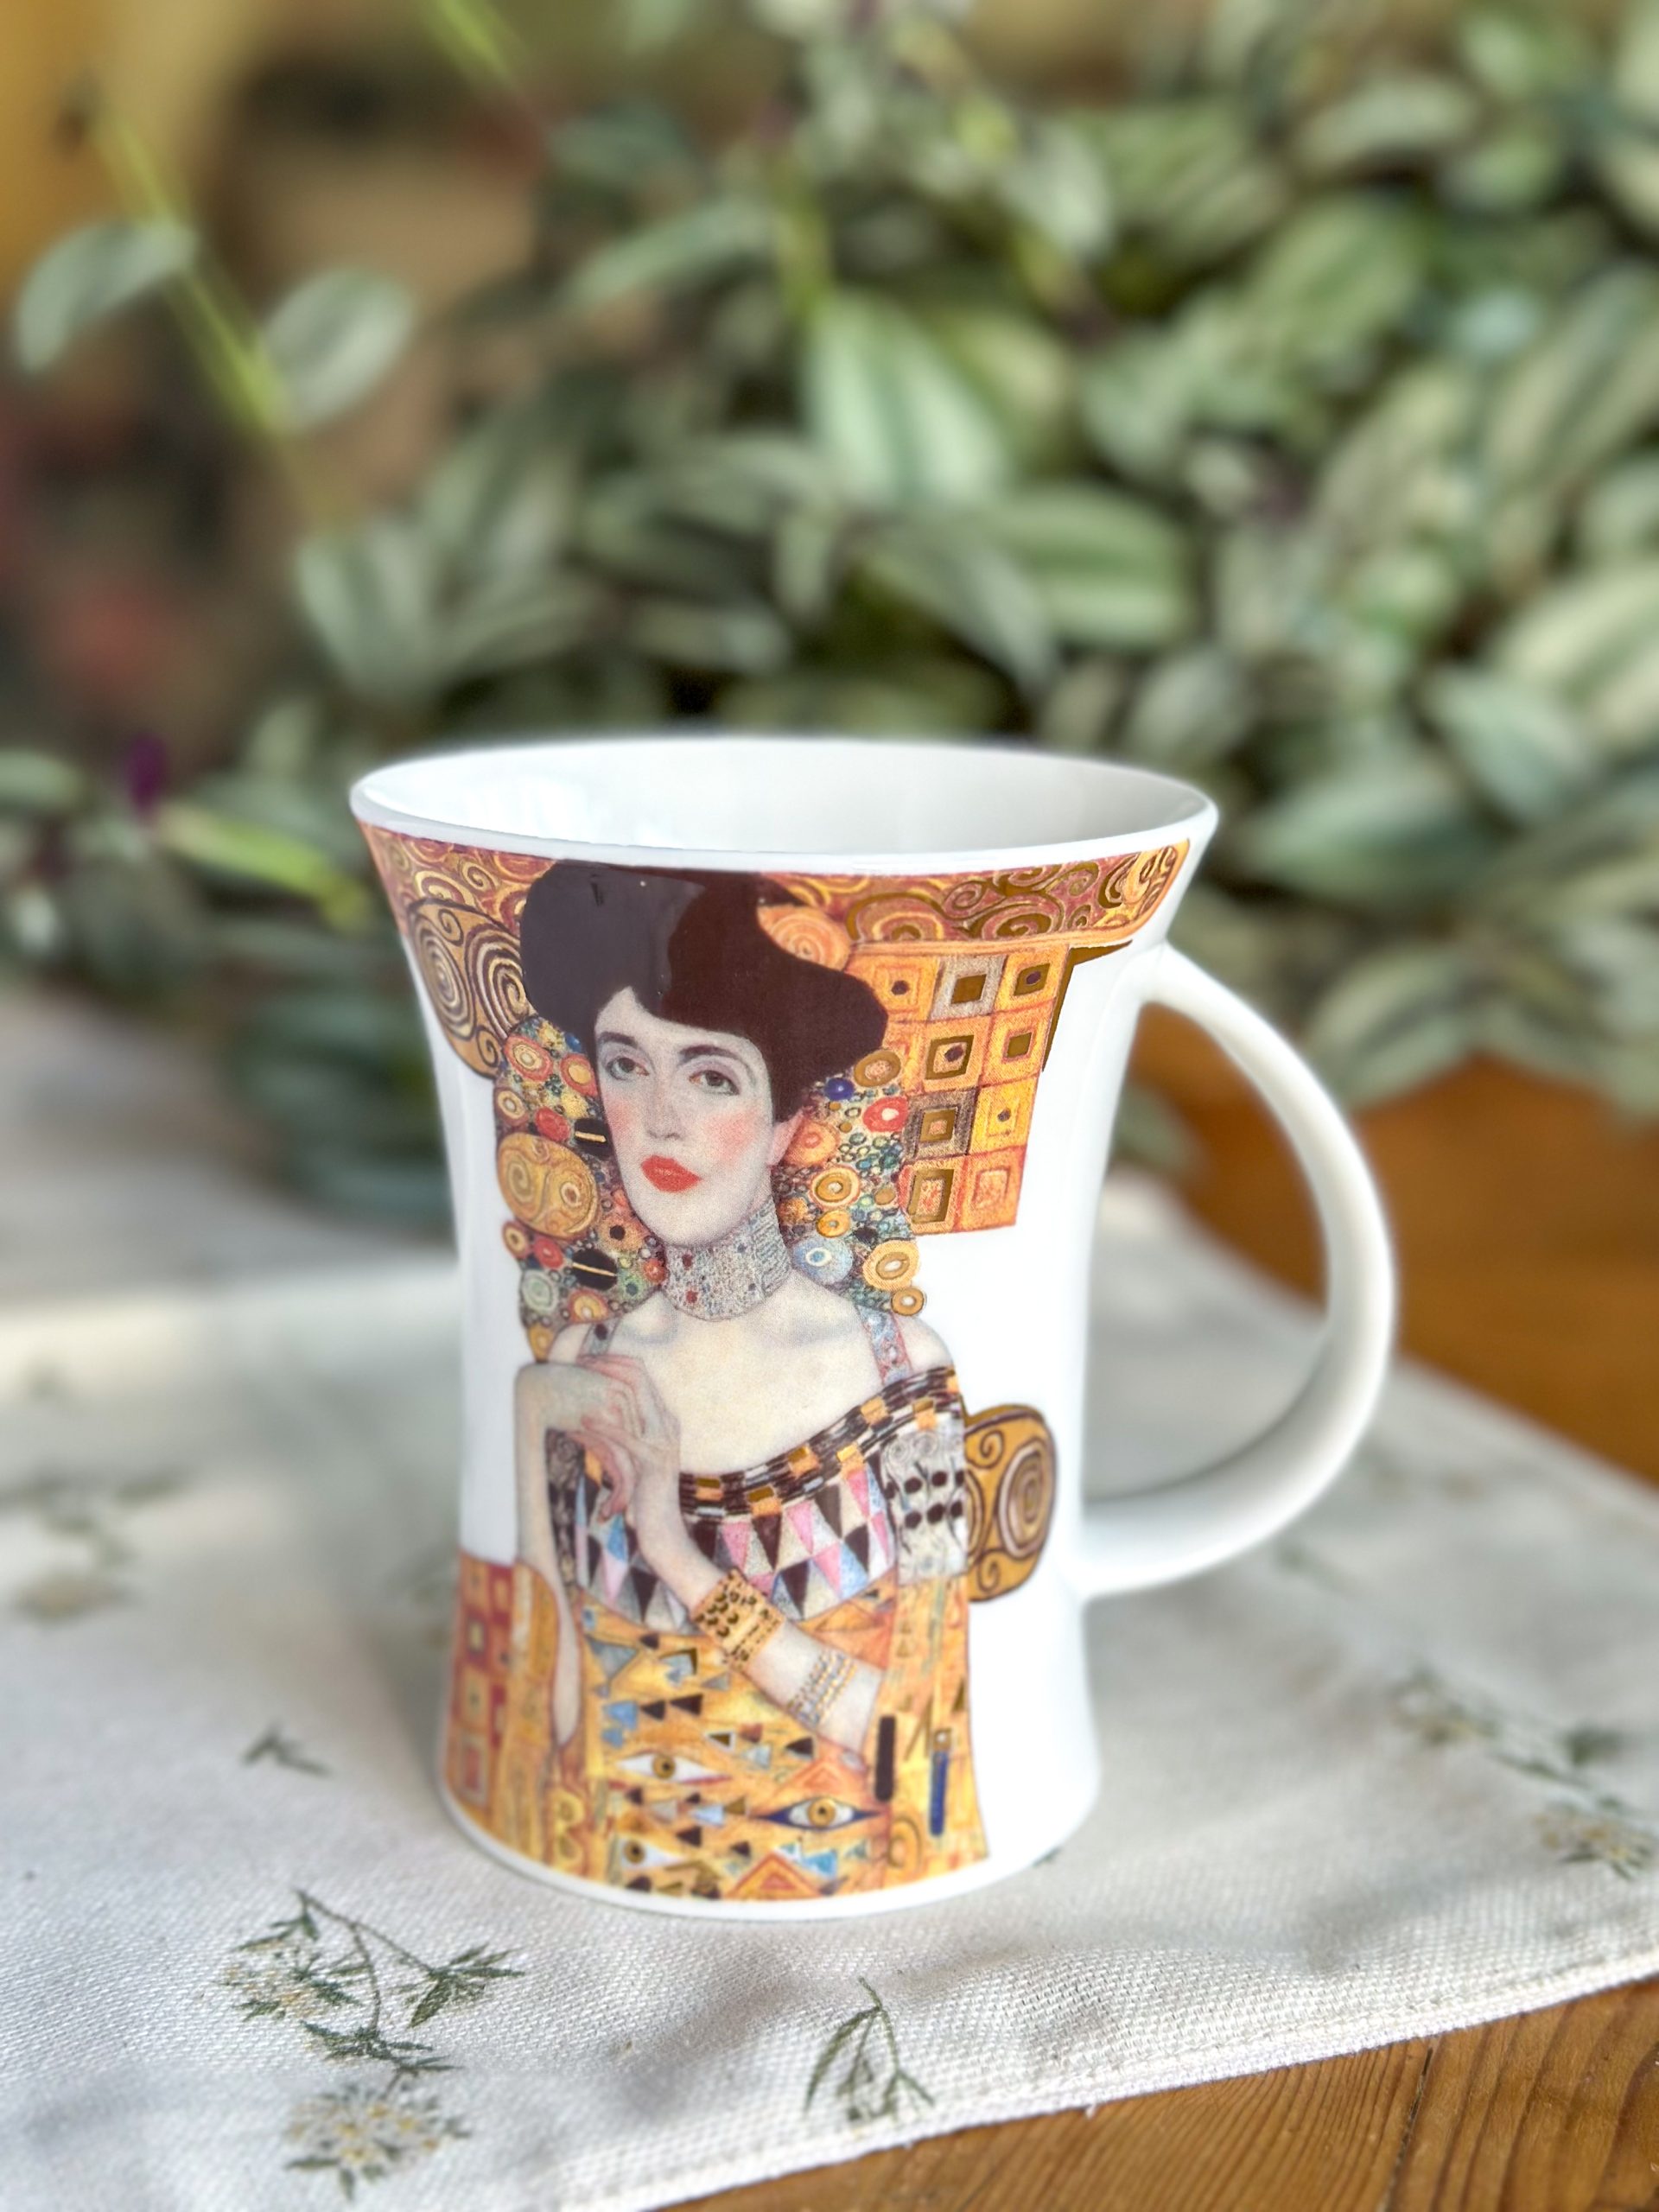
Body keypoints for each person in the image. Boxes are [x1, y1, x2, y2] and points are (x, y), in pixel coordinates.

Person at [493, 863, 986, 1903]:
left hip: (843, 1894)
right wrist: (532, 1411)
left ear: (786, 1126)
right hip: (605, 1877)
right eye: (627, 1065)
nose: (661, 1118)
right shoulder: (576, 1369)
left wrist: (673, 1552)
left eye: (712, 1076)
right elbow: (545, 1733)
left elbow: (920, 1740)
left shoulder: (901, 1372)